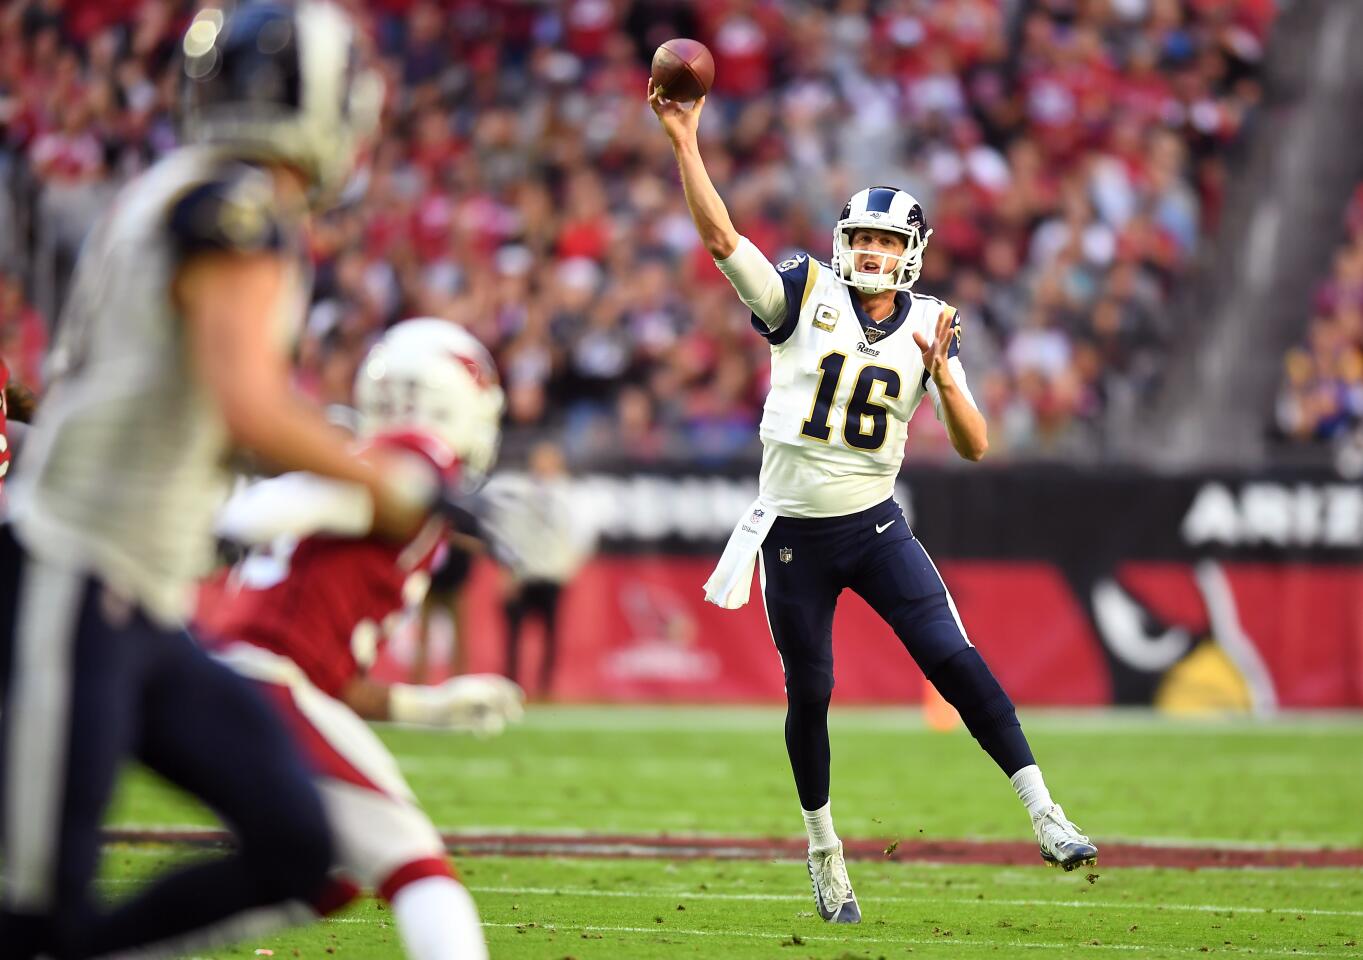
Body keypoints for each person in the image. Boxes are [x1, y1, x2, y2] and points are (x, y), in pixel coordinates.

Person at [0, 4, 442, 956]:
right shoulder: (232, 208)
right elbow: (249, 407)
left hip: (141, 602)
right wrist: (384, 477)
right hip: (69, 577)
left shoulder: (190, 188)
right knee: (35, 913)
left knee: (297, 845)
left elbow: (223, 415)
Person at [649, 81, 1098, 924]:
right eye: (859, 237)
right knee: (810, 692)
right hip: (791, 535)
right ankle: (825, 852)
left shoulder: (931, 324)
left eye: (886, 242)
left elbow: (973, 444)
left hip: (876, 524)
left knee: (953, 658)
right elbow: (718, 238)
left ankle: (1046, 812)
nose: (869, 252)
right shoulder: (802, 291)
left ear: (912, 252)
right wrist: (684, 140)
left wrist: (938, 373)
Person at [196, 318, 520, 960]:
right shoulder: (419, 457)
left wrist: (430, 706)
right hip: (266, 674)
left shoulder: (407, 476)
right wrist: (238, 524)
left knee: (325, 870)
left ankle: (107, 941)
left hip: (266, 677)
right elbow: (329, 492)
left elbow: (334, 679)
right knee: (419, 869)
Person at [489, 441, 591, 699]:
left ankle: (546, 688)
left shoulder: (569, 493)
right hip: (523, 574)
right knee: (514, 634)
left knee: (551, 635)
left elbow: (583, 533)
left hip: (551, 573)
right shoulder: (518, 490)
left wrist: (569, 565)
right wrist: (506, 571)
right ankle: (511, 686)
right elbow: (506, 533)